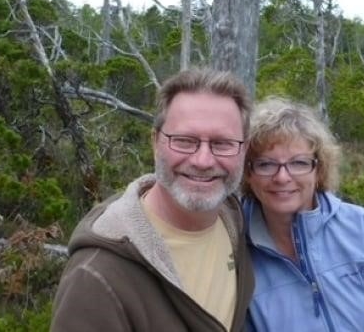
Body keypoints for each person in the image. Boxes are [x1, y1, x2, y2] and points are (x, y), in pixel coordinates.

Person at [51, 68, 254, 332]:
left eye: (222, 143)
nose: (203, 161)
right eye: (184, 140)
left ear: (244, 149)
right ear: (155, 142)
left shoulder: (240, 223)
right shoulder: (96, 278)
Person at [242, 97, 364, 331]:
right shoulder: (237, 250)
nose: (282, 177)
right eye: (265, 164)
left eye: (299, 163)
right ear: (247, 174)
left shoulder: (361, 228)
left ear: (319, 170)